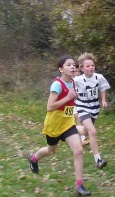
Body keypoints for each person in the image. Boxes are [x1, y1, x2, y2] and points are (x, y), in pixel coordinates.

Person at [28, 55, 91, 196]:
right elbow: (49, 107)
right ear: (61, 69)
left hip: (68, 123)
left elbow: (72, 100)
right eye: (68, 65)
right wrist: (68, 97)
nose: (72, 67)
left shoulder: (73, 83)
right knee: (51, 151)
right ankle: (33, 158)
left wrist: (75, 98)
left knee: (78, 151)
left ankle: (79, 186)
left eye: (73, 64)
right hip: (54, 125)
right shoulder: (57, 84)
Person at [74, 52, 110, 169]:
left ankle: (70, 129)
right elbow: (69, 87)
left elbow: (103, 88)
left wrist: (103, 100)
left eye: (92, 65)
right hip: (82, 107)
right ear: (82, 68)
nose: (91, 67)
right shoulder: (78, 79)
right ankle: (98, 160)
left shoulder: (99, 77)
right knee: (92, 132)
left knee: (84, 131)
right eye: (88, 66)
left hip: (94, 108)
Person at [73, 65, 90, 146]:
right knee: (69, 122)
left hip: (79, 104)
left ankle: (82, 138)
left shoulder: (81, 81)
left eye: (78, 71)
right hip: (69, 105)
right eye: (75, 71)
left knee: (78, 120)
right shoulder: (69, 81)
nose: (77, 73)